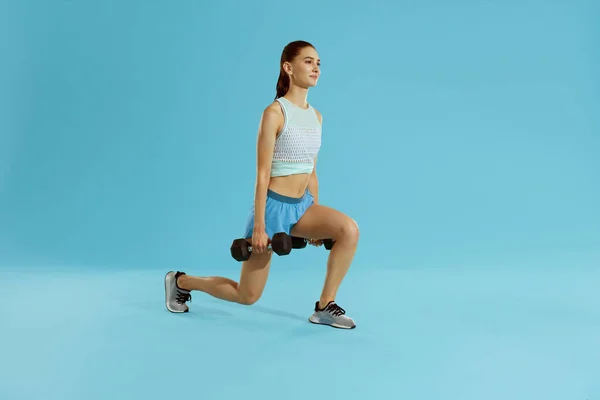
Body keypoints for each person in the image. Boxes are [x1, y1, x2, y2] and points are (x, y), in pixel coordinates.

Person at [164, 40, 359, 329]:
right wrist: (259, 227)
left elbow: (311, 172)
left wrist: (316, 219)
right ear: (288, 67)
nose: (316, 67)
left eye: (318, 62)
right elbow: (262, 174)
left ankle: (324, 307)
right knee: (247, 296)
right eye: (308, 61)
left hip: (302, 206)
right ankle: (180, 281)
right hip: (271, 210)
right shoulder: (275, 113)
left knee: (348, 230)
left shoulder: (316, 117)